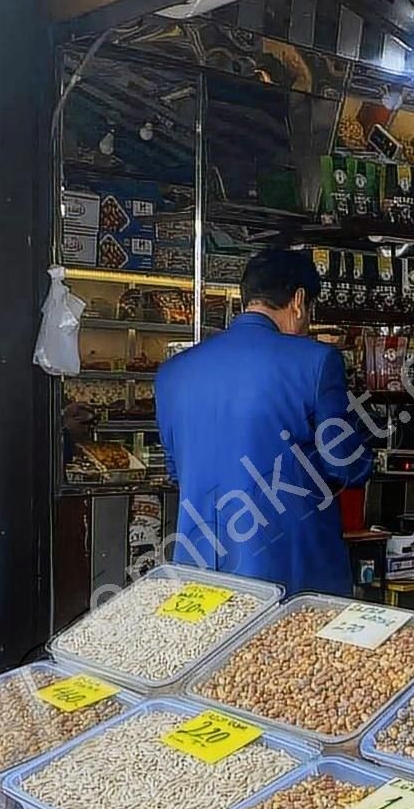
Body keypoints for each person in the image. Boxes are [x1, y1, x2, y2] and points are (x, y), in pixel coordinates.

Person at [156, 248, 373, 596]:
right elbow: (343, 463)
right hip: (291, 569)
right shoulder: (317, 361)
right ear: (299, 300)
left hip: (199, 567)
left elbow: (176, 471)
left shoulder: (173, 372)